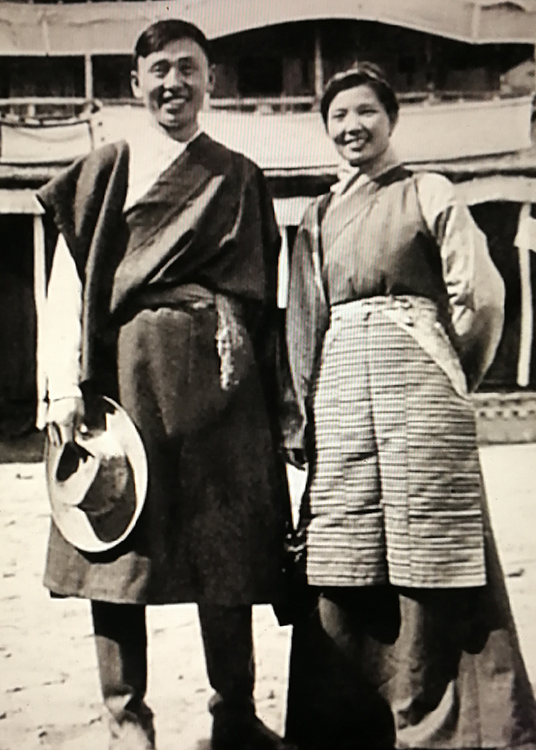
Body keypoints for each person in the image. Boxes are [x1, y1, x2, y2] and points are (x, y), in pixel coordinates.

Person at [38, 19, 294, 750]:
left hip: (223, 391)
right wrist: (62, 387)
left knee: (227, 549)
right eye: (159, 71)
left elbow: (268, 300)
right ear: (136, 83)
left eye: (188, 69)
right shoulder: (105, 171)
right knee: (114, 543)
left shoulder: (239, 175)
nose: (173, 84)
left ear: (210, 80)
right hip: (126, 385)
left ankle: (234, 714)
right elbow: (66, 286)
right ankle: (127, 720)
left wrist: (277, 399)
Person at [283, 63, 536, 750]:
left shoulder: (429, 190)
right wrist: (300, 412)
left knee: (431, 544)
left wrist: (450, 372)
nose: (352, 126)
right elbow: (304, 318)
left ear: (391, 118)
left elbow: (479, 296)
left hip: (420, 391)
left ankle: (451, 722)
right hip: (342, 392)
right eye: (338, 116)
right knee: (345, 547)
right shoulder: (317, 215)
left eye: (365, 111)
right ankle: (349, 722)